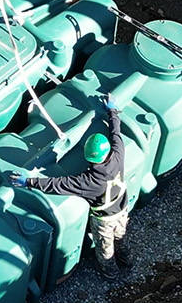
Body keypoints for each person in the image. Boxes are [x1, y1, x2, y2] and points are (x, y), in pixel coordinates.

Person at [9, 97, 129, 279]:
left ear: (89, 158)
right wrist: (112, 111)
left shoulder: (88, 181)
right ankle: (126, 257)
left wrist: (29, 182)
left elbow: (57, 185)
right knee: (121, 235)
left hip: (105, 220)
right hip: (122, 208)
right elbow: (116, 134)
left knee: (105, 246)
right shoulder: (118, 153)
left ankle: (109, 271)